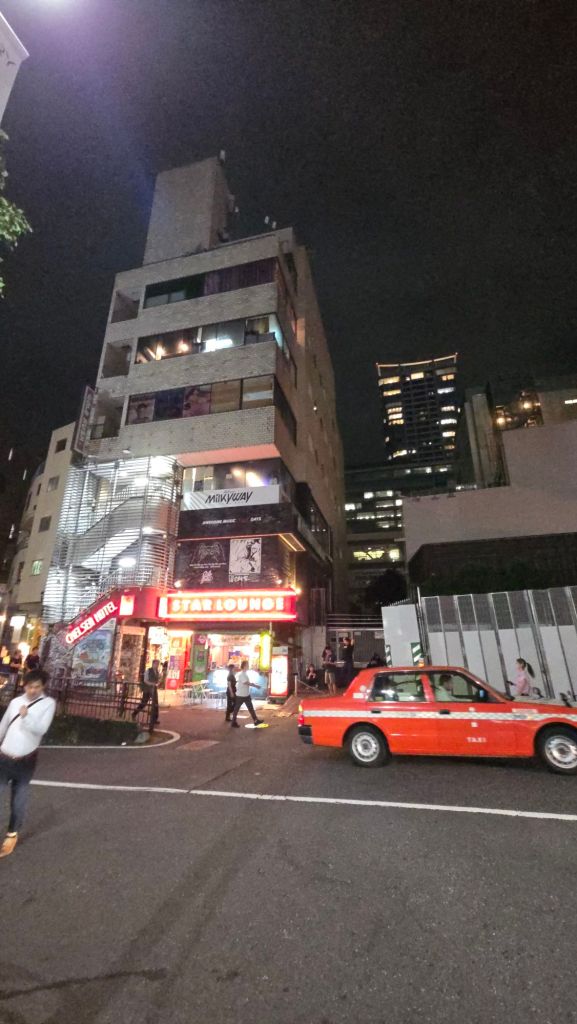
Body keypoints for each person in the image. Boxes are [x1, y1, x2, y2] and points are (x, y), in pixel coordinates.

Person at [0, 668, 56, 858]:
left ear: (43, 686)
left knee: (19, 797)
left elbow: (41, 729)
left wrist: (26, 716)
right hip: (4, 755)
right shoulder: (16, 702)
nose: (32, 690)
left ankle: (12, 834)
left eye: (37, 687)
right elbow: (3, 725)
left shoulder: (48, 704)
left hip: (26, 760)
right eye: (29, 686)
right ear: (24, 686)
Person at [231, 660, 263, 728]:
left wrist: (254, 685)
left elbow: (246, 682)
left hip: (245, 694)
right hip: (241, 695)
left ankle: (256, 720)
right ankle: (233, 722)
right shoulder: (242, 674)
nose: (248, 666)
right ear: (244, 666)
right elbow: (245, 682)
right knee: (236, 709)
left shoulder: (244, 673)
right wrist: (255, 685)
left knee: (250, 708)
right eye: (247, 665)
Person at [132, 659, 160, 727]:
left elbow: (157, 679)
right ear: (153, 664)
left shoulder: (157, 671)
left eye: (158, 664)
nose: (157, 665)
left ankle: (154, 719)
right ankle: (134, 713)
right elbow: (145, 680)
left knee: (155, 704)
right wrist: (152, 684)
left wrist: (157, 683)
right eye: (156, 664)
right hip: (147, 689)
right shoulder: (148, 671)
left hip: (154, 689)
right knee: (144, 703)